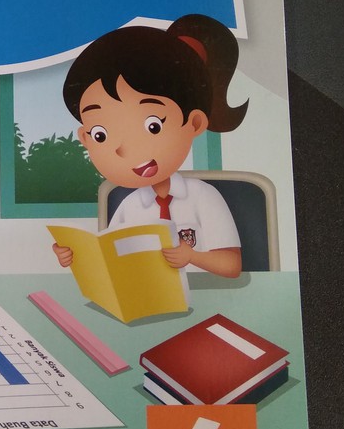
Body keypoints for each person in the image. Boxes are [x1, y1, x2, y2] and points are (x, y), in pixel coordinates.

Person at [53, 14, 247, 279]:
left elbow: (232, 266)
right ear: (85, 138)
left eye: (153, 126)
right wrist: (73, 254)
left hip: (205, 295)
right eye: (100, 135)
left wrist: (192, 257)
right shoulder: (129, 205)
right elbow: (109, 261)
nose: (122, 150)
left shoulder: (204, 196)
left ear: (195, 123)